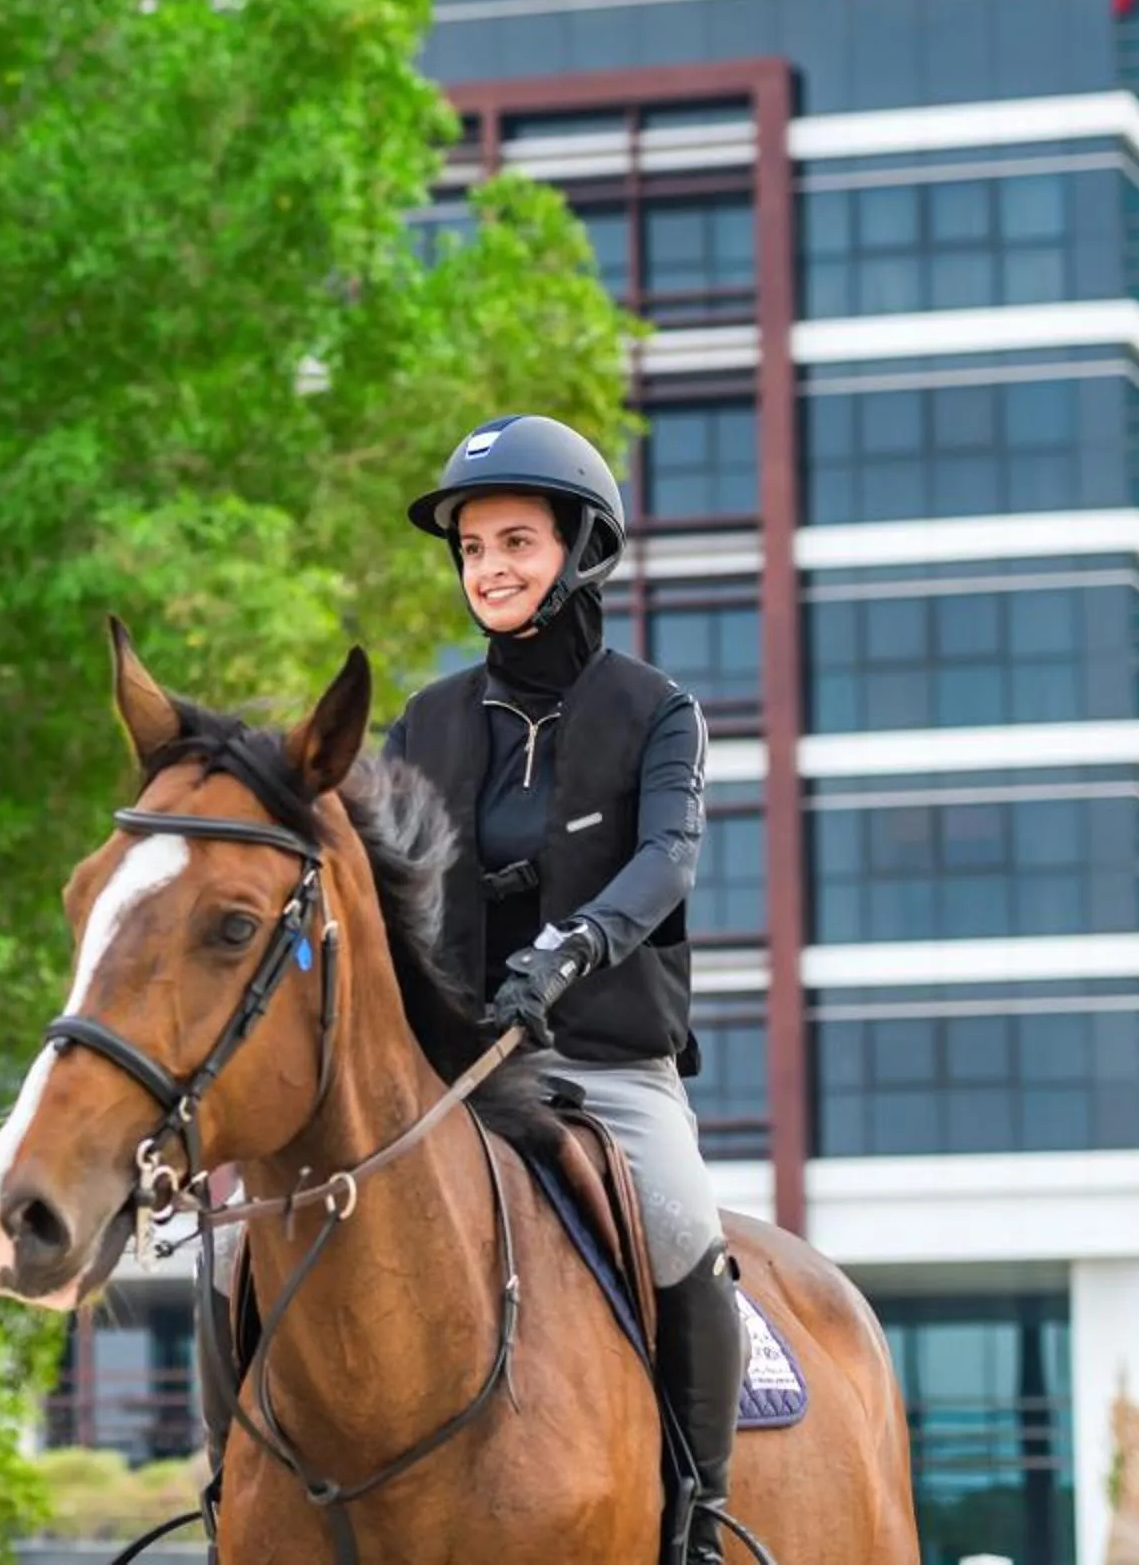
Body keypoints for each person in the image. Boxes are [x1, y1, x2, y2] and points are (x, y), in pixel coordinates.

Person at [381, 411, 745, 1565]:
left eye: (516, 543)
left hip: (602, 1063)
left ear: (580, 549)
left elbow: (667, 859)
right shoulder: (423, 723)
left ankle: (697, 1520)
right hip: (450, 1072)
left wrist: (571, 947)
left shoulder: (659, 711)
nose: (488, 568)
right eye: (472, 548)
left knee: (683, 1227)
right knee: (246, 1240)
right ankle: (237, 1499)